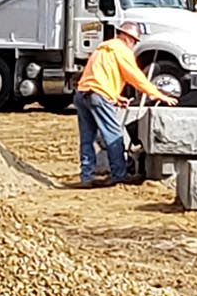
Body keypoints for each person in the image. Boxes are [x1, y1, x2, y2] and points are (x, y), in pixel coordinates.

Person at [74, 20, 176, 187]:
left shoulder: (104, 48)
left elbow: (98, 76)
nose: (134, 45)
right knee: (114, 136)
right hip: (98, 95)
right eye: (135, 41)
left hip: (83, 94)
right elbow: (135, 76)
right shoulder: (121, 51)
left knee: (87, 138)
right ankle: (119, 175)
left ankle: (86, 176)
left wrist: (115, 97)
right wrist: (158, 94)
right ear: (129, 38)